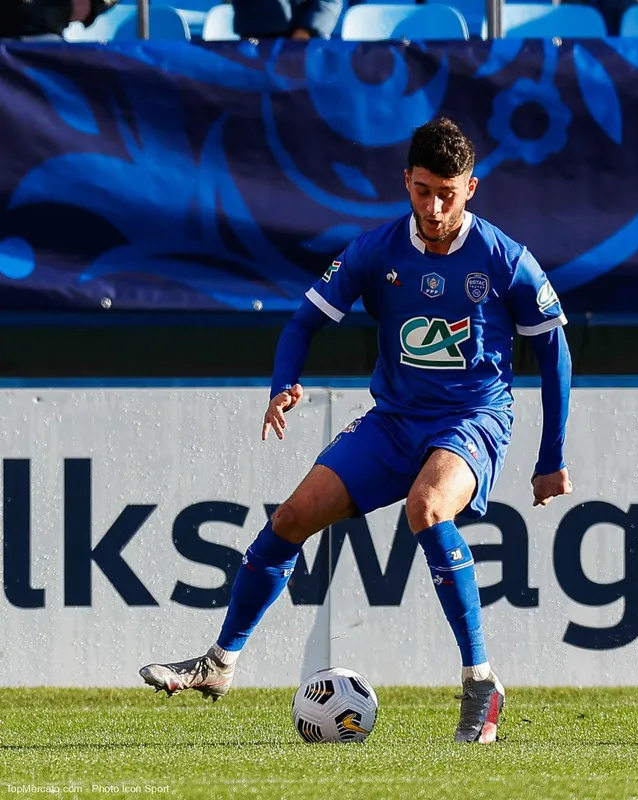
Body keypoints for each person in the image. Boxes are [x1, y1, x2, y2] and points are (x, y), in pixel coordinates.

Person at [140, 117, 574, 745]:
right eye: (422, 190)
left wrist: (551, 453)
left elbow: (554, 351)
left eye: (446, 194)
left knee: (426, 508)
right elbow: (302, 322)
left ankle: (482, 682)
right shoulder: (376, 250)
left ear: (471, 189)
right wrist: (283, 383)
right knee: (289, 520)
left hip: (473, 418)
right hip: (394, 421)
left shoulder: (506, 260)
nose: (432, 206)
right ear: (406, 182)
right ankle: (220, 662)